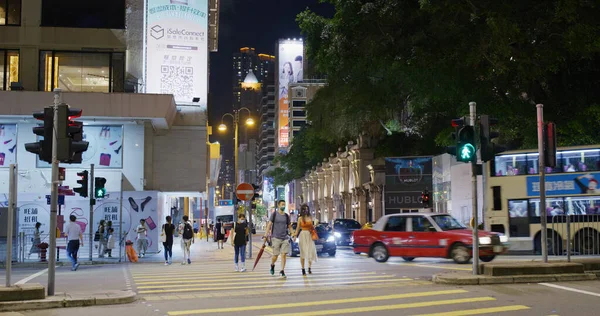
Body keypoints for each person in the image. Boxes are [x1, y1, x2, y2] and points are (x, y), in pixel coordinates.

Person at [265, 200, 293, 278]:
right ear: (278, 205)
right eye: (282, 204)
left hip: (285, 238)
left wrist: (293, 234)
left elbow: (289, 226)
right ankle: (272, 264)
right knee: (275, 255)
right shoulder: (274, 214)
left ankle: (282, 271)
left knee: (283, 254)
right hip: (276, 237)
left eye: (284, 204)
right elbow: (269, 225)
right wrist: (265, 235)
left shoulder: (286, 216)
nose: (283, 206)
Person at [293, 204, 317, 276]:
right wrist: (295, 236)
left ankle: (309, 268)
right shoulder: (300, 218)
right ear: (302, 210)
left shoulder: (310, 217)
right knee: (303, 252)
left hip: (309, 235)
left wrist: (315, 225)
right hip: (303, 235)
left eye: (307, 209)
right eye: (304, 209)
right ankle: (303, 269)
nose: (305, 210)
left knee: (310, 251)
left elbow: (312, 227)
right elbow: (297, 228)